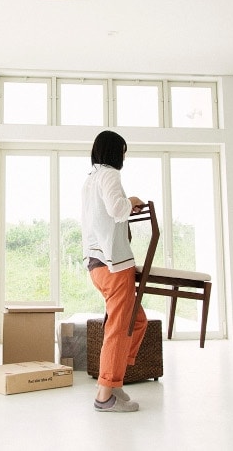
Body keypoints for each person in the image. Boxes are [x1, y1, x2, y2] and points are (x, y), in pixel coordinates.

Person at [82, 130, 147, 412]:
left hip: (96, 263)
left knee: (137, 321)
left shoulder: (91, 179)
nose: (124, 157)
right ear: (112, 151)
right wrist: (132, 200)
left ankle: (114, 380)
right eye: (122, 151)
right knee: (119, 328)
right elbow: (118, 210)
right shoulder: (109, 175)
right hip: (113, 265)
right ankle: (104, 395)